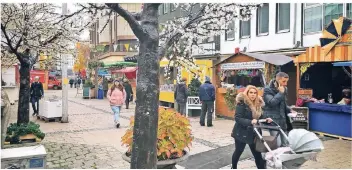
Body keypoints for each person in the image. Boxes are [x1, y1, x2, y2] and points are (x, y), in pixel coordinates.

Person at [231, 85, 272, 169]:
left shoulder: (258, 104)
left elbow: (260, 116)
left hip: (254, 132)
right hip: (241, 132)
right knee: (238, 151)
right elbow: (237, 118)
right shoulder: (242, 103)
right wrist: (250, 121)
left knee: (257, 153)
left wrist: (266, 119)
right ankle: (234, 167)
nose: (253, 95)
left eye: (255, 93)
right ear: (247, 93)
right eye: (251, 92)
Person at [263, 72, 296, 147]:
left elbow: (283, 104)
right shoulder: (267, 89)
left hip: (283, 121)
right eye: (284, 81)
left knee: (285, 144)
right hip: (272, 121)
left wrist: (289, 109)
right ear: (277, 80)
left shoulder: (285, 89)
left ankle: (284, 158)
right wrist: (280, 93)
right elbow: (271, 102)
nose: (286, 84)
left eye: (287, 81)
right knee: (275, 145)